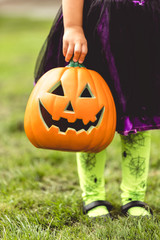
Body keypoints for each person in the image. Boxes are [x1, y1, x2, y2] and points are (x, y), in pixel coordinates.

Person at [34, 0, 160, 218]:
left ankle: (134, 196)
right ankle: (92, 196)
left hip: (141, 28)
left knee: (137, 115)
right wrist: (73, 27)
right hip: (98, 27)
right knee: (88, 113)